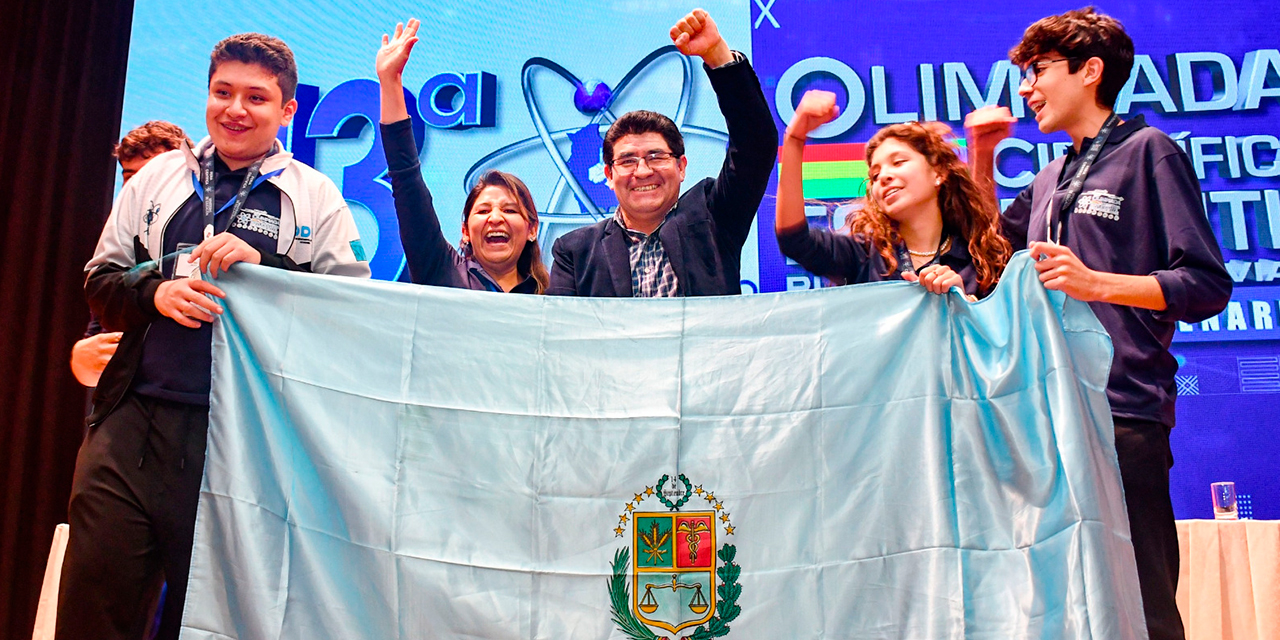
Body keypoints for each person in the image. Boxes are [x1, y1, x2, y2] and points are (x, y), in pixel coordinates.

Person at [57, 33, 370, 640]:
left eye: (257, 97)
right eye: (222, 92)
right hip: (128, 431)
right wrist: (155, 291)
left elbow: (350, 313)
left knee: (209, 625)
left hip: (241, 442)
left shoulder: (314, 196)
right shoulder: (157, 180)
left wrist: (267, 267)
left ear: (287, 111)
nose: (235, 109)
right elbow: (100, 280)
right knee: (91, 613)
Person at [966, 8, 1231, 639]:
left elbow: (1206, 284)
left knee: (1142, 601)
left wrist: (1096, 283)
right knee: (1060, 602)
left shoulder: (1149, 152)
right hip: (1043, 415)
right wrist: (981, 155)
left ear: (1091, 72)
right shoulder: (1051, 176)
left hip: (1122, 410)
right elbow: (985, 260)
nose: (1026, 88)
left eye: (1038, 71)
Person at [547, 8, 776, 297]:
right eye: (628, 160)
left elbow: (756, 143)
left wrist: (718, 56)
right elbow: (563, 333)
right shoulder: (575, 251)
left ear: (681, 166)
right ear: (608, 173)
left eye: (656, 157)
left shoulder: (714, 218)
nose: (643, 171)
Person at [775, 90, 1010, 298]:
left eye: (898, 162)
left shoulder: (976, 254)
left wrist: (964, 304)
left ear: (938, 173)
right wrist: (795, 138)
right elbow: (795, 241)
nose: (884, 177)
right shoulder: (865, 255)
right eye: (875, 176)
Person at [375, 19, 547, 293]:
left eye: (510, 210)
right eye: (483, 210)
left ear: (532, 229)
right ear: (465, 231)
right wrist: (390, 81)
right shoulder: (440, 270)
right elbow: (406, 180)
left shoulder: (554, 297)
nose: (495, 218)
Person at [71, 121, 192, 388]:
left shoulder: (202, 237)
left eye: (152, 175)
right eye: (129, 177)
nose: (138, 188)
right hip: (129, 401)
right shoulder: (119, 244)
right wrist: (82, 358)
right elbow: (97, 351)